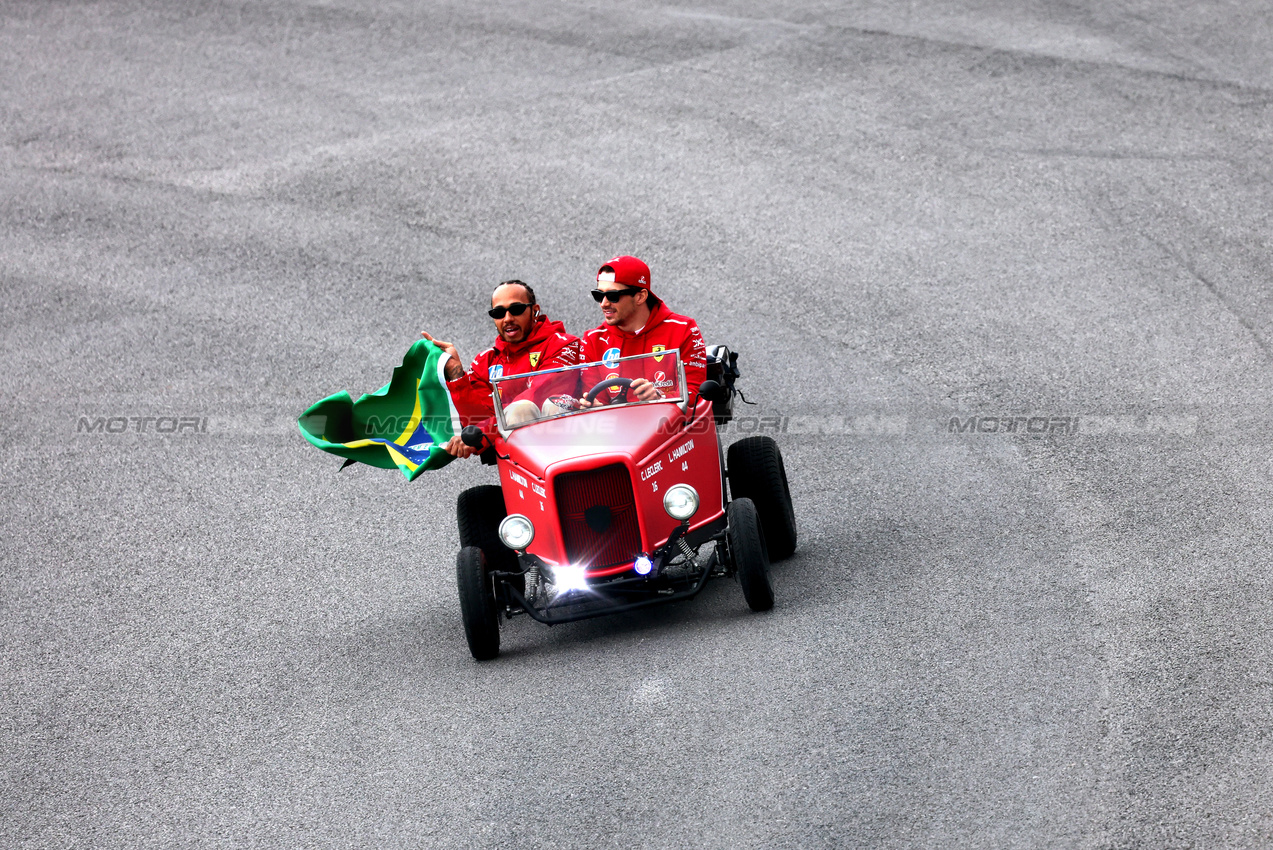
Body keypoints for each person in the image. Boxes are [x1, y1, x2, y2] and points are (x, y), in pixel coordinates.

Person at [422, 280, 581, 457]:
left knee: (524, 408)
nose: (507, 319)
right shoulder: (486, 361)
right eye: (498, 313)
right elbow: (476, 421)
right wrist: (455, 372)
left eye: (516, 309)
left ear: (535, 311)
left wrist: (485, 431)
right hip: (520, 460)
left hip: (569, 445)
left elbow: (539, 395)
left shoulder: (564, 345)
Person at [579, 255, 707, 406]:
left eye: (613, 296)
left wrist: (659, 399)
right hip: (616, 427)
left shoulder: (684, 329)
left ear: (640, 296)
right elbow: (595, 397)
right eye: (598, 295)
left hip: (670, 426)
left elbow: (696, 394)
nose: (603, 303)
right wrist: (595, 408)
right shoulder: (592, 340)